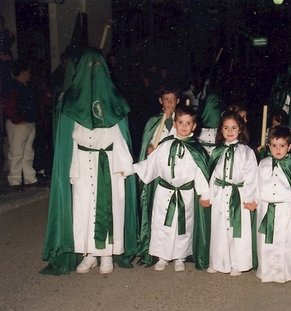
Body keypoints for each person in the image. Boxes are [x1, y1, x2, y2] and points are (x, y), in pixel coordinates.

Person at [41, 47, 138, 275]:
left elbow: (121, 138)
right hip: (83, 165)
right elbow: (69, 143)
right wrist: (71, 169)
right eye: (88, 66)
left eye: (97, 66)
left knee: (110, 209)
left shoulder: (115, 101)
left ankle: (107, 255)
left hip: (110, 165)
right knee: (84, 209)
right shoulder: (71, 102)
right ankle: (89, 254)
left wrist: (124, 166)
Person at [134, 105, 210, 272]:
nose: (184, 126)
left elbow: (199, 173)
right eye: (180, 122)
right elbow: (151, 164)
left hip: (185, 193)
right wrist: (132, 169)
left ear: (194, 126)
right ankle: (162, 256)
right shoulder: (165, 145)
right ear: (174, 123)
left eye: (188, 123)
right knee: (162, 224)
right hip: (164, 192)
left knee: (183, 225)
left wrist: (204, 193)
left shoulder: (196, 149)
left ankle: (180, 257)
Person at [207, 111, 258, 276]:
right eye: (226, 127)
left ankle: (238, 263)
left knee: (238, 230)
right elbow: (213, 175)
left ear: (240, 130)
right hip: (221, 194)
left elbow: (252, 176)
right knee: (219, 230)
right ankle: (218, 262)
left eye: (234, 127)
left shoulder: (246, 152)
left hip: (239, 195)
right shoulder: (217, 151)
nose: (230, 131)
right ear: (221, 130)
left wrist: (250, 198)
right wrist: (209, 195)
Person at [256, 126, 291, 283]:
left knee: (284, 242)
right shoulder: (263, 164)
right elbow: (257, 184)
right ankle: (266, 271)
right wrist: (255, 203)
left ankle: (285, 272)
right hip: (266, 208)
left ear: (289, 147)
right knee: (265, 241)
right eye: (274, 145)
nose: (278, 150)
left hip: (285, 209)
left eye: (282, 146)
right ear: (269, 146)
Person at [136, 86, 179, 264]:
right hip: (156, 173)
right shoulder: (153, 121)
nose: (169, 103)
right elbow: (148, 141)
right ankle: (153, 247)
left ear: (178, 101)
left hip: (172, 173)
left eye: (173, 99)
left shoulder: (181, 121)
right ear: (160, 101)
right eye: (166, 99)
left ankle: (175, 250)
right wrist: (148, 148)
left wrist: (170, 121)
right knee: (155, 210)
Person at [2, 61, 38, 190]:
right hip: (19, 124)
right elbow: (10, 107)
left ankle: (29, 178)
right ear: (22, 73)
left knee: (28, 152)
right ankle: (15, 180)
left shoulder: (24, 86)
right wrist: (17, 119)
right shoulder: (14, 87)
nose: (29, 75)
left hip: (28, 122)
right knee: (17, 152)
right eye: (27, 72)